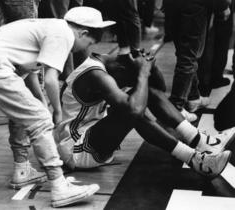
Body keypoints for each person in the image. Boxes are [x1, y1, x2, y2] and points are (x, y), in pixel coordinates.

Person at [0, 6, 115, 208]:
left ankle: (22, 170)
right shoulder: (63, 35)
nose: (83, 49)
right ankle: (59, 186)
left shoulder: (50, 28)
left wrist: (41, 102)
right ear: (83, 33)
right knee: (41, 120)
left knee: (27, 112)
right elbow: (52, 80)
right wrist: (56, 112)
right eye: (88, 43)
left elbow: (31, 73)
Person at [55, 52, 234, 178]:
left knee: (141, 96)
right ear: (122, 70)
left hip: (92, 138)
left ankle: (201, 142)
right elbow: (134, 110)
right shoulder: (95, 74)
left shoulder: (109, 66)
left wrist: (149, 68)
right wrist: (142, 73)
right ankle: (196, 161)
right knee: (133, 110)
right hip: (76, 149)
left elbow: (158, 90)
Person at [163, 0, 231, 122]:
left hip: (171, 4)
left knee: (183, 51)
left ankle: (193, 97)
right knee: (189, 56)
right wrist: (223, 5)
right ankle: (176, 106)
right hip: (195, 5)